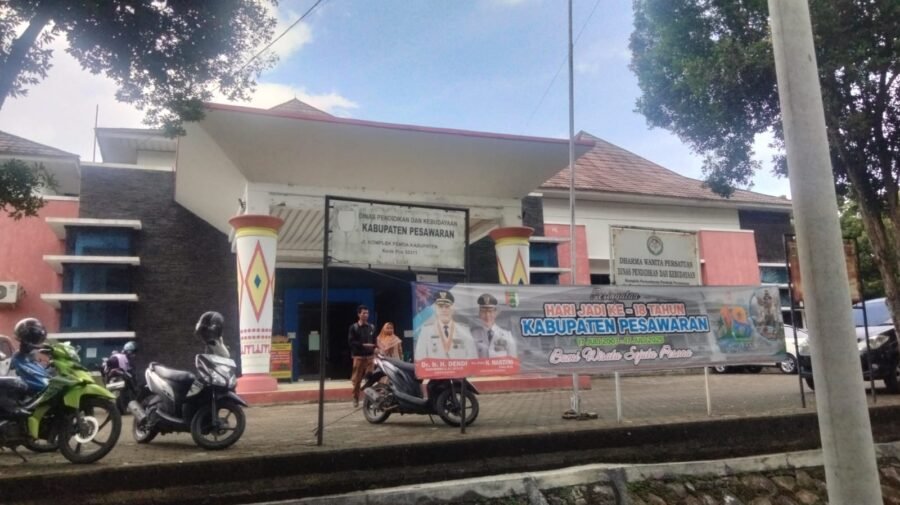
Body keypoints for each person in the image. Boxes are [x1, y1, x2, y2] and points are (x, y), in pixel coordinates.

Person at [415, 291, 477, 359]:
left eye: (447, 306)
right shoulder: (426, 331)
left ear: (453, 308)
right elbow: (420, 358)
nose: (444, 310)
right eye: (440, 306)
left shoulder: (464, 330)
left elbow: (473, 357)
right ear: (435, 308)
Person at [471, 293, 517, 358]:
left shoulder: (507, 336)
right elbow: (470, 359)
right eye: (483, 311)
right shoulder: (473, 335)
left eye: (490, 311)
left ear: (496, 313)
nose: (487, 315)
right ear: (479, 313)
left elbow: (513, 360)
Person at [348, 305, 376, 408]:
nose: (366, 315)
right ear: (359, 314)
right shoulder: (354, 327)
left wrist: (375, 348)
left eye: (367, 313)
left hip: (370, 357)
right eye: (363, 313)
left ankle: (370, 400)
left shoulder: (371, 327)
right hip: (359, 357)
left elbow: (375, 341)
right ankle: (355, 398)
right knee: (357, 380)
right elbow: (351, 342)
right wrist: (363, 345)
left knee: (370, 379)